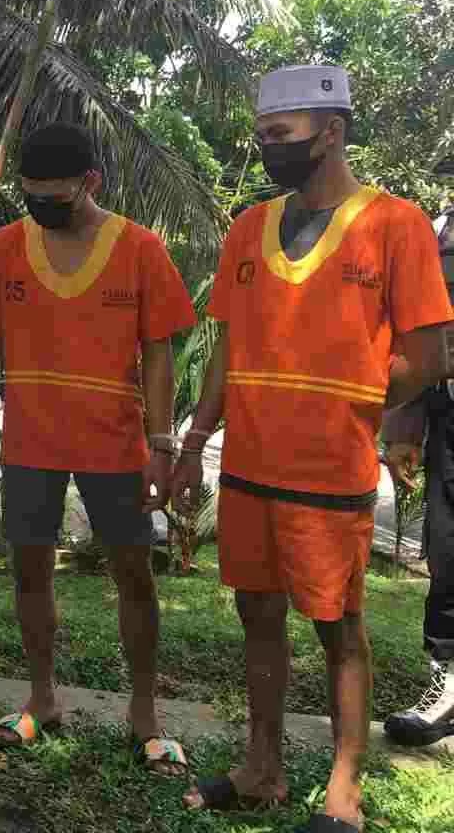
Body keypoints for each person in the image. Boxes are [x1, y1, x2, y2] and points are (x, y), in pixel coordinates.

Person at [171, 65, 452, 832]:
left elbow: (429, 357)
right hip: (250, 469)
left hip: (330, 473)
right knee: (257, 615)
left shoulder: (396, 224)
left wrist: (353, 402)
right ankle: (262, 766)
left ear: (330, 132)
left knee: (339, 626)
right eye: (262, 137)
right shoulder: (246, 230)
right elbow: (226, 351)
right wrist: (194, 439)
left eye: (280, 136)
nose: (267, 150)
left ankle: (344, 789)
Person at [0, 122, 196, 775]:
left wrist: (160, 441)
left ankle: (144, 710)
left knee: (133, 573)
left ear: (90, 182)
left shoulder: (140, 248)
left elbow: (159, 351)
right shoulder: (7, 246)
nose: (42, 206)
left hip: (116, 442)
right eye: (31, 194)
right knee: (29, 571)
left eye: (56, 195)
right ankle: (42, 698)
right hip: (30, 440)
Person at [378, 199, 454, 748]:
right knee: (448, 551)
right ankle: (447, 686)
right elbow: (422, 335)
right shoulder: (441, 231)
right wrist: (405, 427)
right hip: (449, 416)